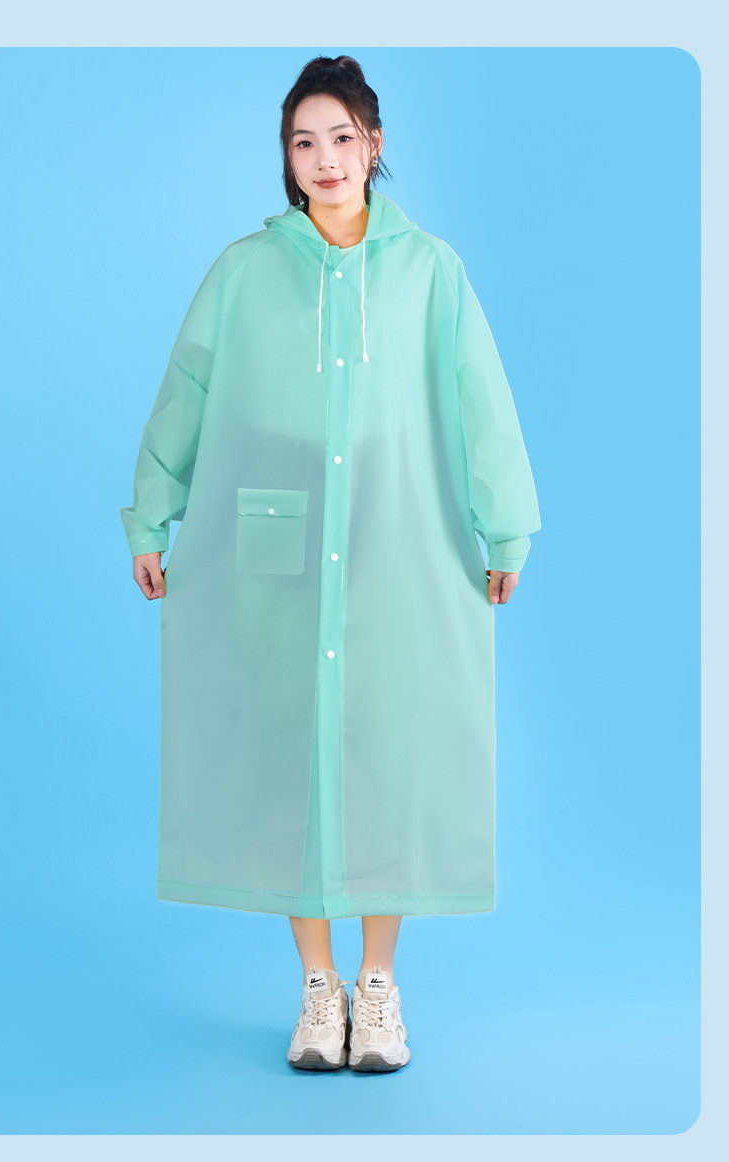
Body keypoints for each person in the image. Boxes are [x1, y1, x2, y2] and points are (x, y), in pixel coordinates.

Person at [120, 54, 541, 1074]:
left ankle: (378, 984)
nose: (323, 159)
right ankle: (318, 986)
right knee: (293, 761)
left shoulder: (430, 271)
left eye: (341, 138)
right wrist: (151, 517)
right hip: (278, 556)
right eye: (303, 142)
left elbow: (480, 399)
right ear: (287, 156)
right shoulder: (243, 272)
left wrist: (505, 528)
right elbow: (187, 391)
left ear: (373, 143)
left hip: (398, 543)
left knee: (387, 757)